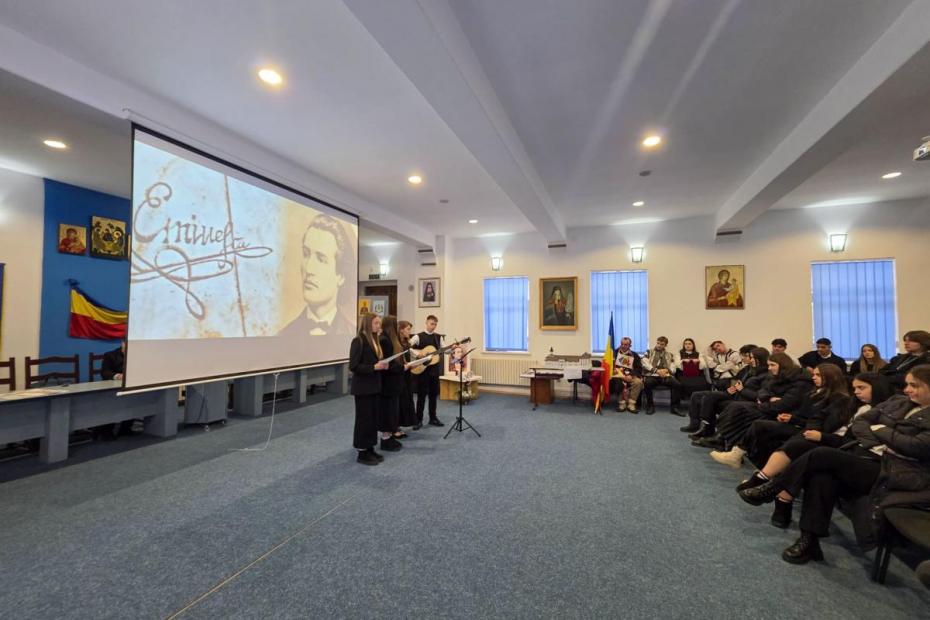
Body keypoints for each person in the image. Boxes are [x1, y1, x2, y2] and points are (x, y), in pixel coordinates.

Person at [739, 365, 930, 565]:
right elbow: (861, 424)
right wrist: (880, 437)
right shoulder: (898, 401)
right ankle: (809, 541)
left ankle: (774, 488)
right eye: (907, 384)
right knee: (822, 476)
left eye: (914, 385)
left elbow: (914, 447)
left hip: (896, 471)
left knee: (821, 455)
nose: (907, 389)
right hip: (864, 455)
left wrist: (881, 429)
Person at [737, 373, 892, 528]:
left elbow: (856, 443)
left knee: (806, 451)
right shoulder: (847, 402)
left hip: (845, 449)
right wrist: (815, 431)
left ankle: (770, 488)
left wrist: (822, 437)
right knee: (800, 445)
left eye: (861, 388)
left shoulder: (883, 413)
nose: (856, 391)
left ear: (877, 388)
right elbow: (818, 417)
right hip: (825, 439)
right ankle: (777, 496)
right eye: (855, 388)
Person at [711, 364, 849, 472]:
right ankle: (760, 468)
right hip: (799, 424)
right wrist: (789, 417)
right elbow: (802, 413)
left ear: (830, 377)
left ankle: (740, 456)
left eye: (818, 375)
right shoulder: (814, 392)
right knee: (757, 423)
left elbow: (819, 423)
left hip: (808, 431)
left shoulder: (837, 399)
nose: (813, 377)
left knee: (760, 424)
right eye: (814, 374)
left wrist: (793, 419)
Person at [706, 352, 809, 461]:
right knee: (736, 406)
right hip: (767, 405)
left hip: (781, 413)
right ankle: (726, 441)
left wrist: (764, 401)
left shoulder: (800, 382)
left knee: (743, 411)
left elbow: (784, 405)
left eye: (772, 365)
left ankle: (731, 447)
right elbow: (763, 390)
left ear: (783, 365)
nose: (769, 368)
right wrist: (769, 398)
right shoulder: (775, 375)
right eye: (769, 365)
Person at [278, 215, 356, 342]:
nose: (309, 269)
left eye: (321, 259)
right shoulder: (282, 336)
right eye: (306, 254)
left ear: (341, 276)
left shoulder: (353, 334)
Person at [690, 348, 771, 445]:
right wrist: (733, 388)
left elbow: (758, 396)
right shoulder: (750, 369)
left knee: (718, 402)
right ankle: (707, 428)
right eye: (750, 357)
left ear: (760, 359)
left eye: (752, 357)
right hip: (737, 395)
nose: (751, 359)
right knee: (710, 397)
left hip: (746, 401)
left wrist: (741, 389)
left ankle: (719, 437)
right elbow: (737, 381)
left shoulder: (765, 375)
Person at [680, 344, 757, 434]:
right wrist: (732, 387)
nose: (742, 358)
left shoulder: (756, 371)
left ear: (753, 356)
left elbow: (748, 387)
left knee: (710, 397)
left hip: (739, 395)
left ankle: (707, 427)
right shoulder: (746, 368)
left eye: (745, 356)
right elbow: (736, 380)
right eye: (742, 355)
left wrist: (737, 388)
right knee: (696, 395)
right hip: (732, 391)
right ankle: (694, 424)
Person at [349, 313, 389, 465]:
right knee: (364, 420)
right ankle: (362, 451)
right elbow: (353, 366)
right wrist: (374, 367)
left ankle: (370, 447)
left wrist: (382, 365)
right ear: (367, 324)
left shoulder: (375, 340)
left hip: (374, 386)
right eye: (376, 323)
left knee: (373, 419)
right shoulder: (358, 340)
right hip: (363, 388)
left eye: (379, 323)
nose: (379, 326)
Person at [377, 316, 405, 452]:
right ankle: (385, 439)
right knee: (387, 411)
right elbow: (388, 364)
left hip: (392, 381)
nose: (398, 328)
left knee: (392, 410)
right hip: (387, 382)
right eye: (396, 325)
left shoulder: (389, 339)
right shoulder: (384, 340)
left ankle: (389, 436)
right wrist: (402, 367)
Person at [412, 315, 444, 428]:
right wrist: (418, 354)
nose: (433, 326)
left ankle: (433, 418)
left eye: (435, 324)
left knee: (433, 395)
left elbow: (444, 349)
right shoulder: (418, 336)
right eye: (431, 324)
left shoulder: (438, 337)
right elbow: (407, 347)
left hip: (434, 370)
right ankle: (418, 420)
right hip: (422, 370)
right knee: (421, 395)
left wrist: (452, 348)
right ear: (426, 323)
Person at [642, 336, 681, 415]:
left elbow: (673, 366)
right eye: (658, 343)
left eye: (662, 344)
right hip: (652, 375)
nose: (659, 345)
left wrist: (666, 370)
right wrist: (656, 370)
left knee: (677, 384)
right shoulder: (649, 352)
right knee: (647, 383)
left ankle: (674, 407)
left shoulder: (670, 355)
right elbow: (644, 362)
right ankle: (650, 405)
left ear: (665, 345)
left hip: (665, 375)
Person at [610, 337, 644, 413]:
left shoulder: (634, 355)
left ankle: (631, 404)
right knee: (618, 383)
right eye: (622, 344)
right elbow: (609, 365)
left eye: (625, 344)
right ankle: (622, 403)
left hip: (630, 376)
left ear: (630, 345)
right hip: (618, 376)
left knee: (638, 382)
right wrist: (613, 371)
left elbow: (639, 368)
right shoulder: (613, 354)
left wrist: (631, 375)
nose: (623, 346)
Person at [397, 320, 419, 430]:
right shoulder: (396, 343)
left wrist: (412, 364)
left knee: (408, 399)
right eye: (408, 329)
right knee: (400, 401)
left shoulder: (406, 343)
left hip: (407, 375)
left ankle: (405, 422)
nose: (409, 332)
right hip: (399, 375)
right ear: (401, 330)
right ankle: (396, 426)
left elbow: (407, 358)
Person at [677, 338, 709, 404]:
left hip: (697, 374)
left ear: (693, 345)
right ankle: (685, 400)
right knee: (682, 383)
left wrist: (698, 361)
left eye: (689, 344)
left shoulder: (698, 354)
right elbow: (677, 365)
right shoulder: (679, 354)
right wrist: (683, 361)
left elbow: (704, 366)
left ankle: (699, 401)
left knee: (702, 383)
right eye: (685, 344)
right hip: (683, 374)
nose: (687, 345)